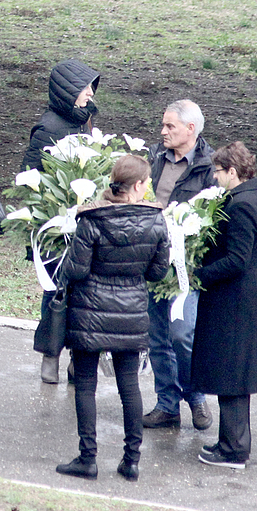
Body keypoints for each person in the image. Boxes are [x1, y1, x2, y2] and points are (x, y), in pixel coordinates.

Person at [55, 155, 170, 482]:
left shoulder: (92, 219)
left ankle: (87, 458)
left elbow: (76, 269)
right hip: (131, 311)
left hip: (89, 312)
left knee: (86, 385)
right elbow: (159, 272)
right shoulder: (156, 221)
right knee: (129, 386)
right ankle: (131, 460)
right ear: (137, 186)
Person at [192, 142, 257, 469]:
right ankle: (232, 441)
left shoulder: (240, 206)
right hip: (245, 294)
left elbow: (237, 260)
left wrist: (199, 275)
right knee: (236, 370)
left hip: (235, 298)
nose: (214, 176)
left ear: (233, 172)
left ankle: (234, 448)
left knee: (232, 372)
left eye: (218, 171)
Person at [20, 58, 100, 384]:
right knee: (55, 291)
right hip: (56, 226)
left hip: (85, 224)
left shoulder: (85, 122)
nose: (89, 96)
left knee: (85, 293)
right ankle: (50, 356)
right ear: (68, 92)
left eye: (91, 90)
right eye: (84, 90)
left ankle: (76, 359)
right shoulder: (49, 128)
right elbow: (30, 177)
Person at [143, 99, 215, 431]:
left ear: (191, 129)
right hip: (153, 258)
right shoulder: (155, 157)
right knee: (157, 336)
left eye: (170, 126)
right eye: (163, 125)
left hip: (187, 267)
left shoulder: (208, 166)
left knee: (182, 334)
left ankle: (196, 396)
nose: (163, 132)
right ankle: (166, 405)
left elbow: (213, 217)